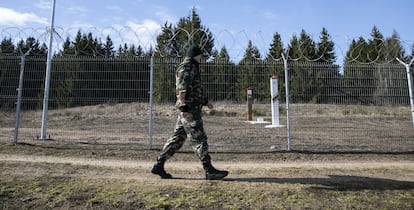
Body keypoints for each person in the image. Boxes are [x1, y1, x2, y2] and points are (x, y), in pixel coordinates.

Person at [151, 45, 229, 180]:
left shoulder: (191, 67)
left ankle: (159, 164)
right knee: (199, 138)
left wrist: (205, 101)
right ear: (195, 55)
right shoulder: (187, 67)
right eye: (201, 56)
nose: (202, 59)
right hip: (189, 110)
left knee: (177, 138)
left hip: (189, 108)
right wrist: (184, 108)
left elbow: (194, 89)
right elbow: (182, 88)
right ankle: (209, 170)